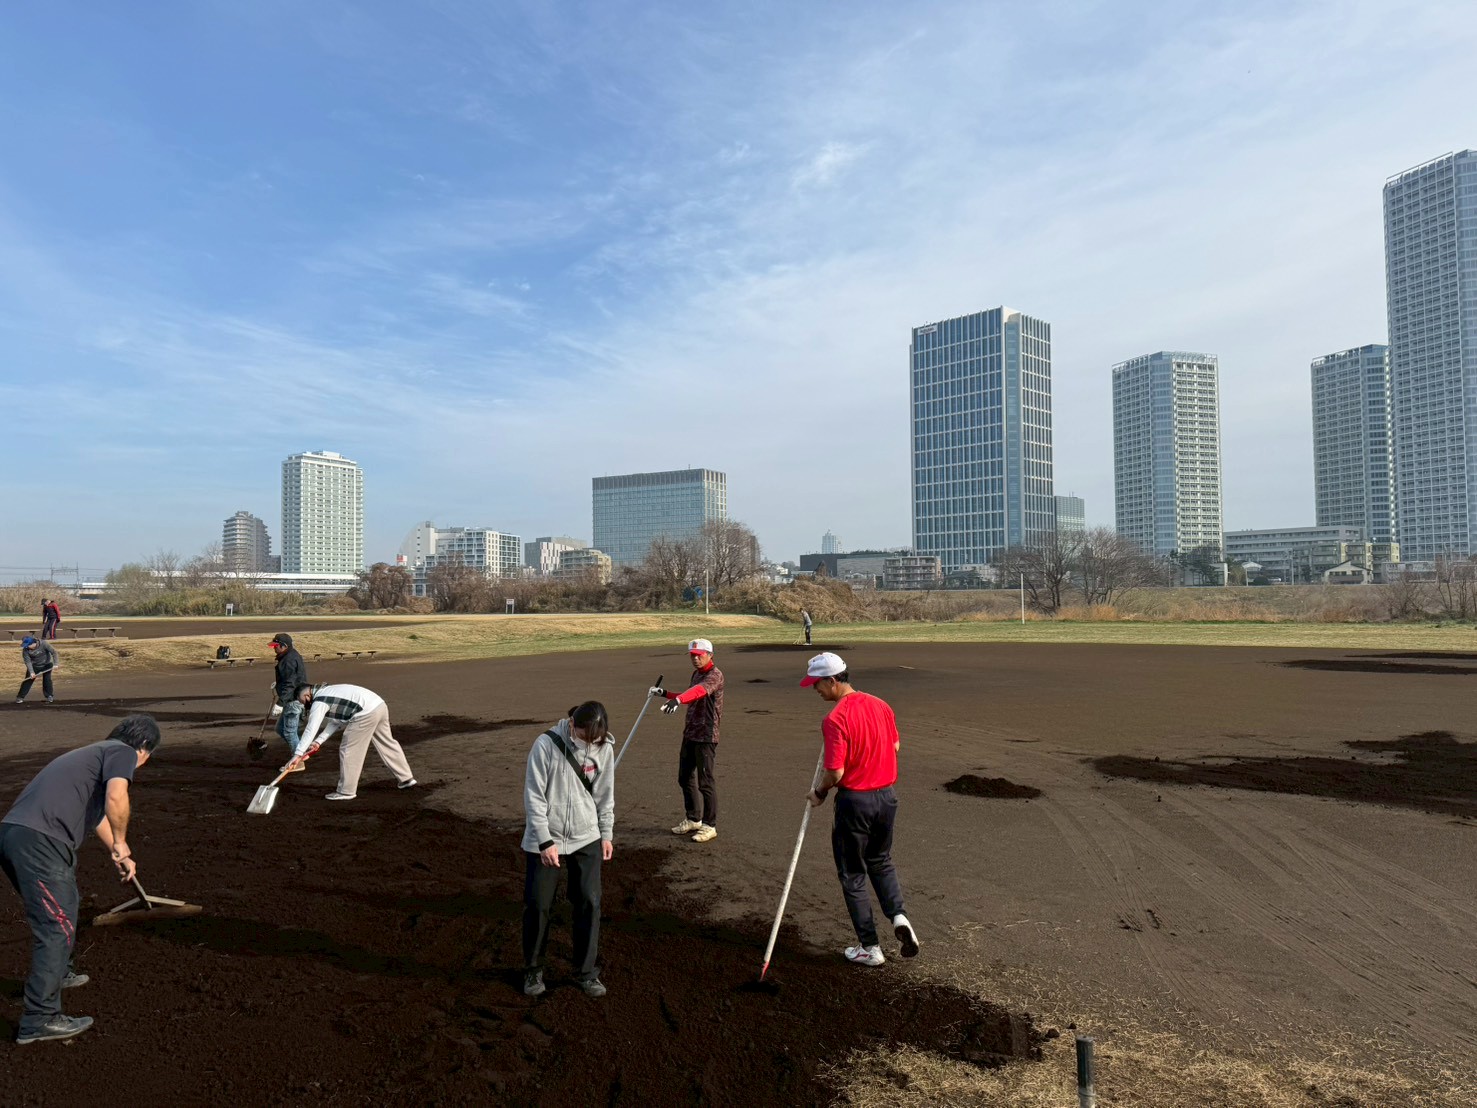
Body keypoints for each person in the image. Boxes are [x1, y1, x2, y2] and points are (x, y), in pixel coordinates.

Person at [0, 714, 160, 1044]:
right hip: (40, 842)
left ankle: (58, 973)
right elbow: (117, 797)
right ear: (143, 748)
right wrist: (121, 840)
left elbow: (98, 815)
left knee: (61, 910)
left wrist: (120, 853)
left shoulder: (93, 754)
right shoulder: (122, 752)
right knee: (56, 924)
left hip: (17, 835)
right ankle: (39, 1019)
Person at [801, 651, 920, 967]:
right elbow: (894, 746)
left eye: (817, 684)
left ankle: (870, 947)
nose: (816, 691)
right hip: (886, 798)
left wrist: (820, 793)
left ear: (832, 680)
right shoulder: (880, 704)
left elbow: (836, 772)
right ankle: (898, 916)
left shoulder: (835, 719)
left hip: (855, 803)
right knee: (881, 861)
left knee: (853, 874)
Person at [521, 701, 615, 999]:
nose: (588, 745)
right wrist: (545, 840)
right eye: (583, 737)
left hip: (586, 836)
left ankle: (586, 972)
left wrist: (606, 834)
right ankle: (534, 969)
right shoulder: (545, 745)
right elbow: (534, 796)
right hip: (546, 837)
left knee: (589, 901)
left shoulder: (604, 748)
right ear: (572, 724)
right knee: (538, 905)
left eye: (594, 741)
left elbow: (604, 796)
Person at [282, 683, 416, 801]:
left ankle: (346, 791)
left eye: (303, 701)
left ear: (307, 695)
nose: (305, 705)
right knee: (387, 743)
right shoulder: (329, 691)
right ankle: (406, 778)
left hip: (365, 713)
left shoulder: (319, 701)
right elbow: (335, 722)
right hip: (379, 705)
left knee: (349, 750)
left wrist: (297, 754)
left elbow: (311, 728)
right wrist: (318, 742)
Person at [648, 638, 725, 843]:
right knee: (684, 777)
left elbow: (699, 692)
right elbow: (688, 695)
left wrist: (678, 700)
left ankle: (710, 826)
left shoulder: (715, 676)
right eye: (692, 655)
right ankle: (693, 818)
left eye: (699, 655)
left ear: (710, 655)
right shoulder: (697, 674)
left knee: (706, 782)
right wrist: (665, 694)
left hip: (706, 736)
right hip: (690, 733)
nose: (695, 659)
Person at [265, 633, 309, 756]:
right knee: (280, 729)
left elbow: (291, 683)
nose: (274, 648)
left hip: (294, 700)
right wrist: (279, 683)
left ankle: (298, 759)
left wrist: (280, 703)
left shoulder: (288, 660)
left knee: (290, 733)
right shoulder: (289, 656)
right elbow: (291, 678)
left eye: (276, 646)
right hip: (292, 698)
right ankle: (300, 749)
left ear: (284, 646)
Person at [16, 636, 58, 705]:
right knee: (28, 680)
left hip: (47, 664)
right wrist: (31, 672)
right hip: (34, 666)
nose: (27, 647)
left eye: (28, 645)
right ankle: (20, 697)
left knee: (47, 680)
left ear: (33, 643)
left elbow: (54, 652)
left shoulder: (44, 644)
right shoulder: (25, 650)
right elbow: (28, 661)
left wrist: (56, 664)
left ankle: (49, 696)